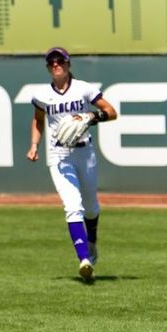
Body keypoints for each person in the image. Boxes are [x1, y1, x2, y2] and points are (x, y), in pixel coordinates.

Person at [26, 47, 118, 283]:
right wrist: (34, 145)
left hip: (84, 153)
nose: (56, 65)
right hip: (59, 154)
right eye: (52, 62)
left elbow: (111, 112)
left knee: (91, 207)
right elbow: (38, 121)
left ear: (68, 64)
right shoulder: (41, 95)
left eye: (60, 61)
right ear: (48, 67)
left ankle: (92, 241)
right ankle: (84, 260)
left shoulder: (84, 89)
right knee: (72, 205)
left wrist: (91, 117)